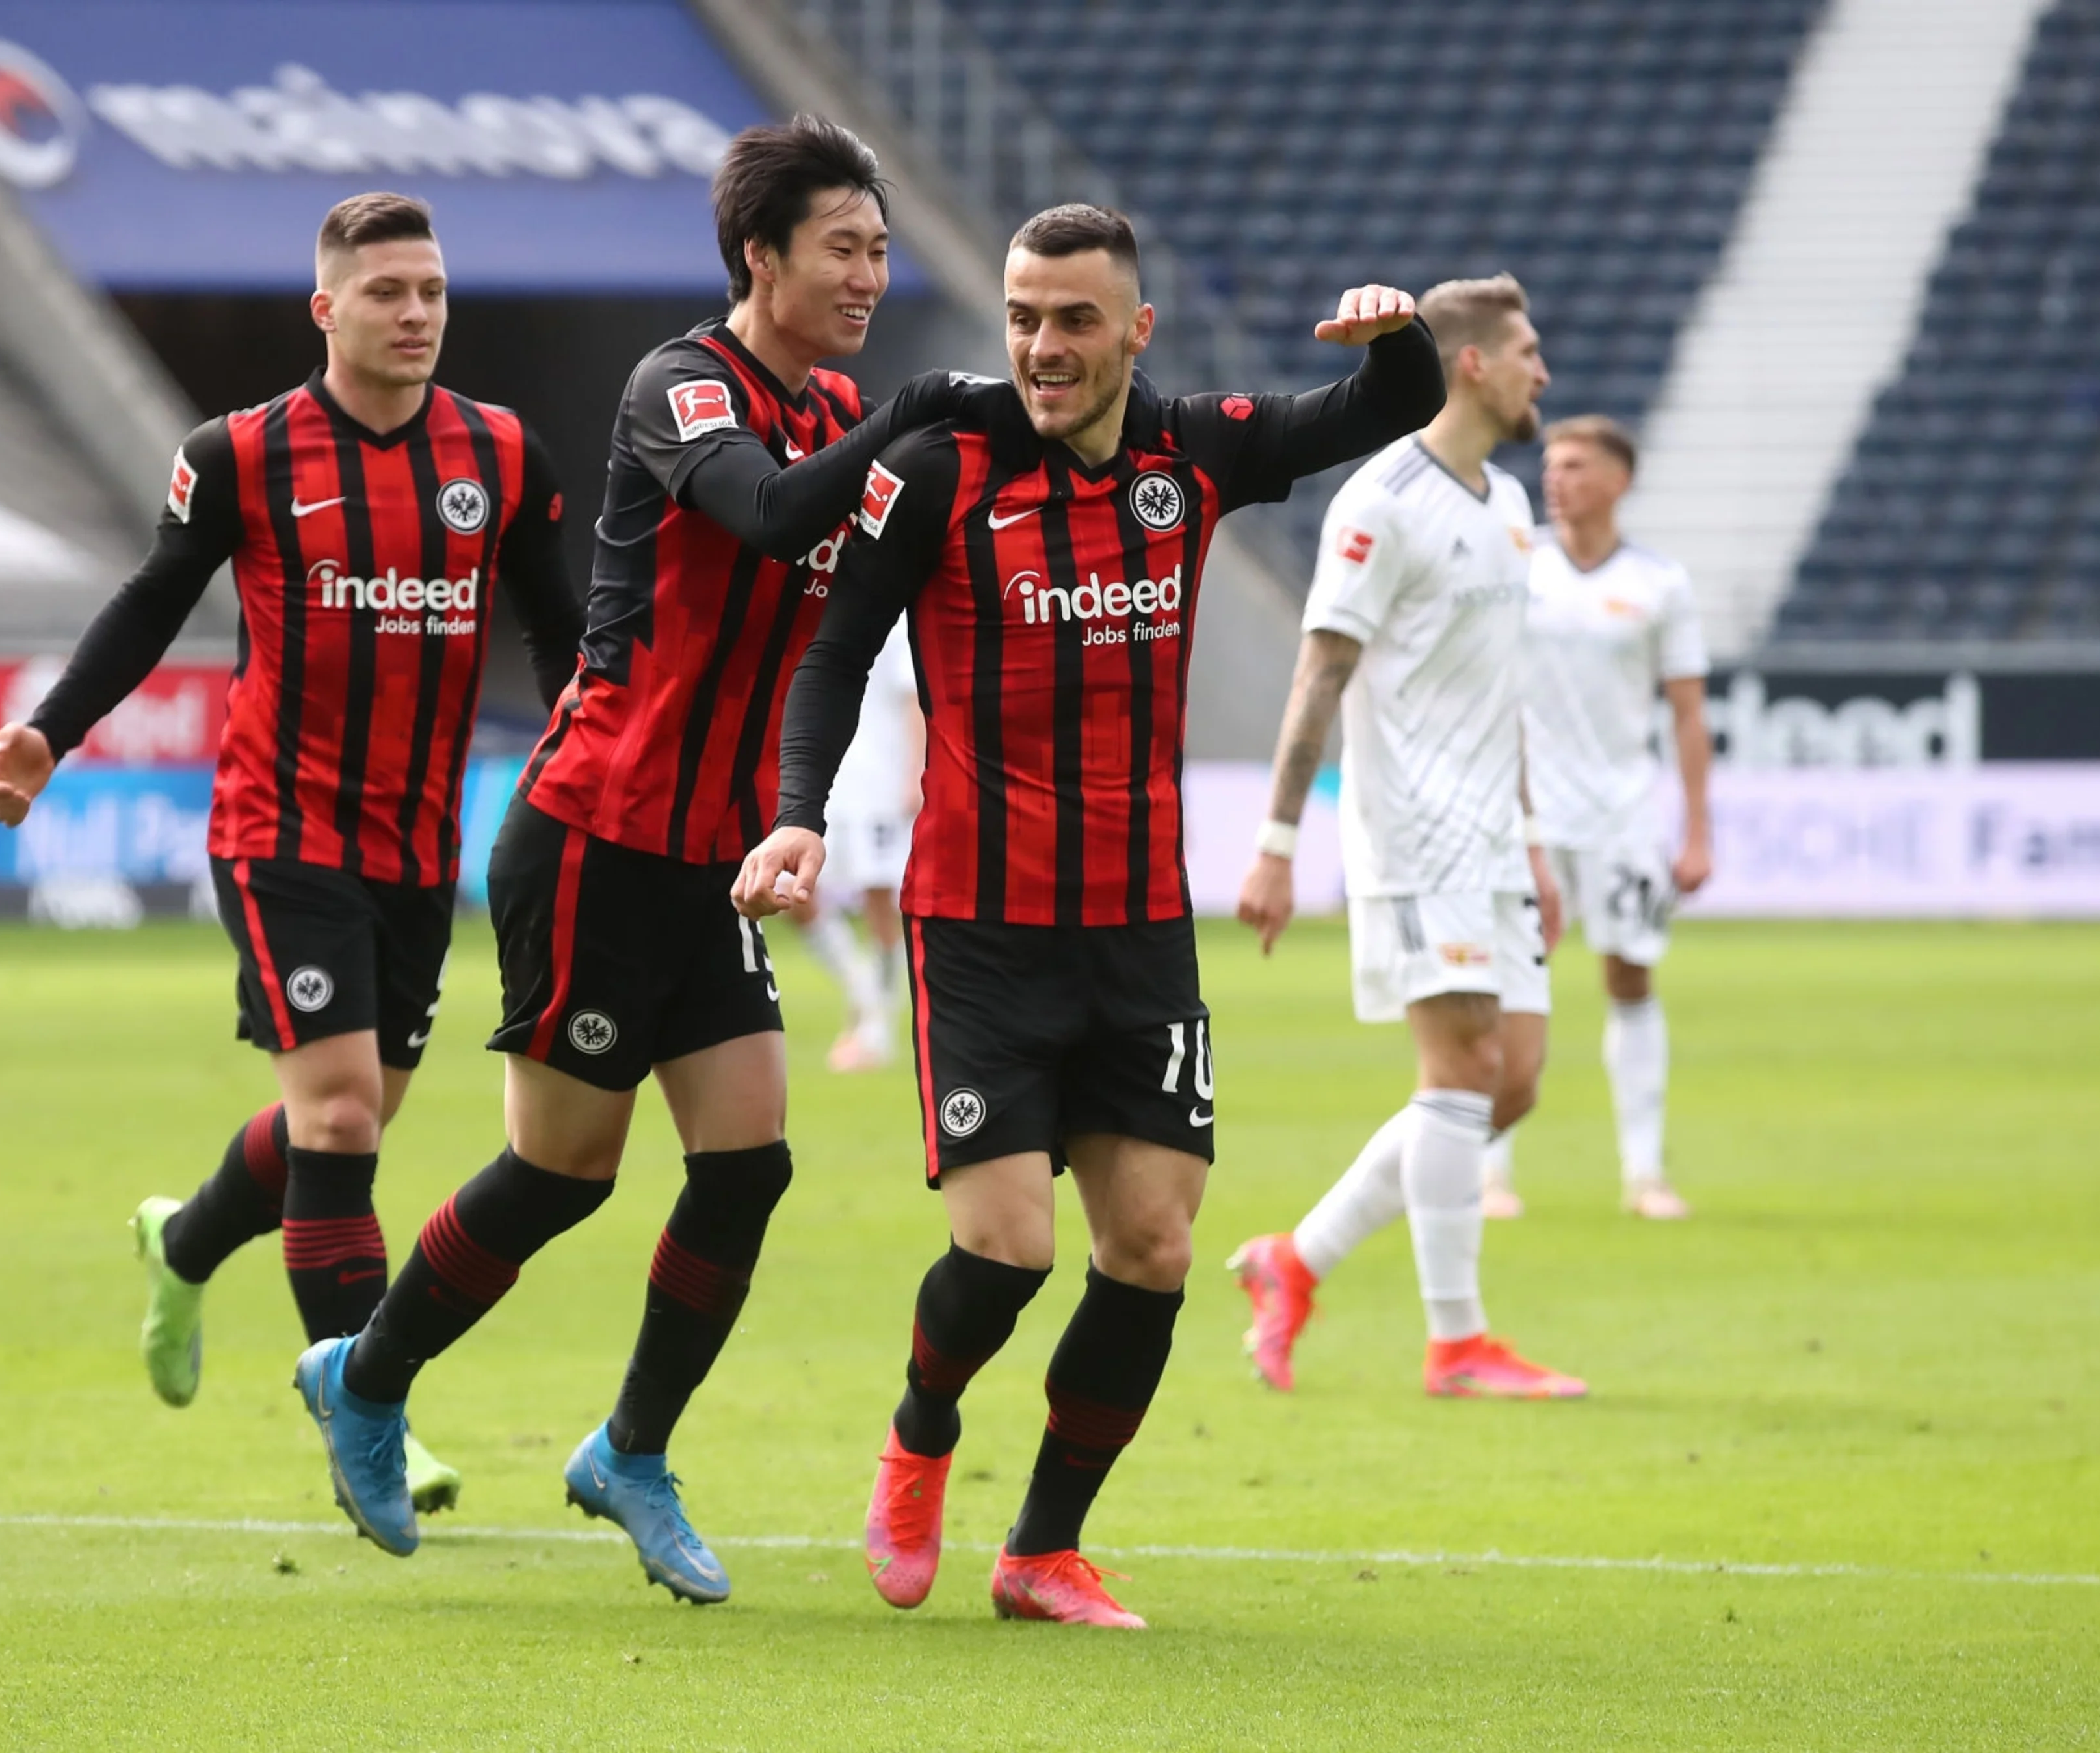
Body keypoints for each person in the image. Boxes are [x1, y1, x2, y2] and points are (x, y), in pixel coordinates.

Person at [290, 116, 967, 1598]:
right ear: (761, 257)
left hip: (712, 858)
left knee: (748, 1163)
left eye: (878, 249)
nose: (869, 274)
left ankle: (631, 1452)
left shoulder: (834, 408)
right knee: (563, 1171)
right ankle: (366, 1374)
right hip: (593, 834)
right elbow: (769, 513)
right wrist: (909, 418)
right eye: (842, 249)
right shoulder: (682, 387)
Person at [738, 204, 1442, 1628]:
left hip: (1138, 932)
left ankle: (1042, 1549)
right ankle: (920, 1436)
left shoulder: (1195, 450)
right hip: (980, 926)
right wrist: (802, 807)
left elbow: (1393, 402)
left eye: (1073, 320)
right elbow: (835, 652)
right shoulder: (939, 469)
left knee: (1153, 1248)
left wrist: (1400, 330)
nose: (1043, 347)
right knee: (1006, 1247)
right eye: (1022, 318)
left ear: (1136, 330)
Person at [0, 194, 583, 1516]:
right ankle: (372, 1415)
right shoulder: (242, 454)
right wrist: (49, 733)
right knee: (342, 1117)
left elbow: (558, 628)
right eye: (386, 293)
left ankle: (184, 1240)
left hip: (418, 841)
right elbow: (153, 601)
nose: (415, 314)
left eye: (431, 291)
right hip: (280, 825)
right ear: (326, 309)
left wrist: (593, 749)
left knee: (347, 1120)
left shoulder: (499, 452)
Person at [1226, 273, 1590, 1402]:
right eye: (1526, 353)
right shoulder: (1380, 502)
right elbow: (1321, 672)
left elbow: (1499, 686)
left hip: (1493, 837)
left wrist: (1531, 836)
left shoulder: (1509, 506)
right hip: (1416, 831)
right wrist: (1277, 841)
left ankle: (1294, 1261)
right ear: (1471, 363)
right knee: (1460, 1074)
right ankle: (1456, 1342)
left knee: (1509, 1084)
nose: (1543, 373)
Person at [1484, 415, 1711, 1220]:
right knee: (1507, 982)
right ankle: (1489, 1173)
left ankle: (1644, 1174)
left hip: (1622, 816)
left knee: (1630, 977)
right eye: (1552, 465)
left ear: (1618, 481)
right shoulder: (1516, 563)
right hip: (1525, 817)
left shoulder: (1660, 583)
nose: (1556, 478)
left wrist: (1696, 831)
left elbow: (1688, 713)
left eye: (1575, 465)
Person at [796, 616, 921, 1071]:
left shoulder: (895, 615)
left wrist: (915, 773)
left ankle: (876, 1029)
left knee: (880, 902)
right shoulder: (816, 602)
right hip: (829, 786)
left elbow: (913, 695)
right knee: (794, 893)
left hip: (880, 784)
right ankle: (864, 995)